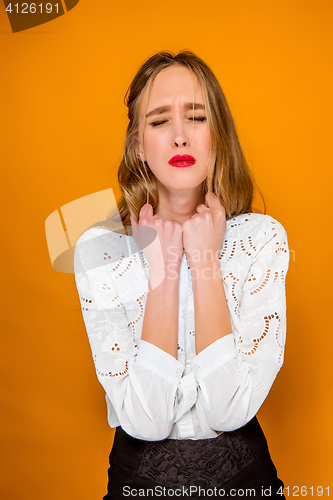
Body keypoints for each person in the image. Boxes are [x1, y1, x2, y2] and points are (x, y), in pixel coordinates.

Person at [74, 50, 289, 499]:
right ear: (137, 144)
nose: (179, 137)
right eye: (158, 121)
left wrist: (206, 260)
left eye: (195, 117)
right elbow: (146, 421)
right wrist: (164, 270)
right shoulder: (100, 249)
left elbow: (230, 411)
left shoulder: (261, 239)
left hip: (246, 483)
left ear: (217, 134)